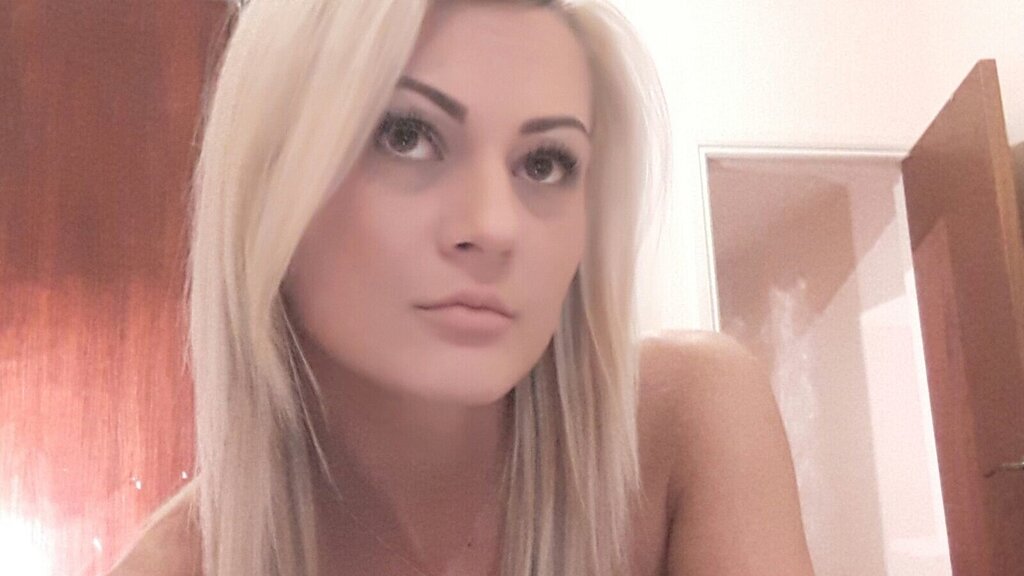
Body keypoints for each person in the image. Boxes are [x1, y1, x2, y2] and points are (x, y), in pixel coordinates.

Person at [107, 0, 814, 575]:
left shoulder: (685, 427)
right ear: (270, 185)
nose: (495, 227)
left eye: (544, 164)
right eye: (407, 136)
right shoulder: (179, 565)